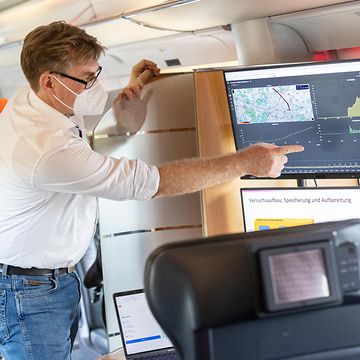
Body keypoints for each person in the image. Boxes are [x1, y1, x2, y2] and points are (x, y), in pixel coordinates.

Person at [0, 21, 304, 360]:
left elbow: (88, 142)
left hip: (46, 283)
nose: (94, 86)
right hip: (28, 292)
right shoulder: (44, 148)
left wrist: (128, 100)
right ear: (49, 81)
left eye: (98, 74)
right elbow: (152, 183)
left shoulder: (36, 102)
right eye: (87, 79)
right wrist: (245, 163)